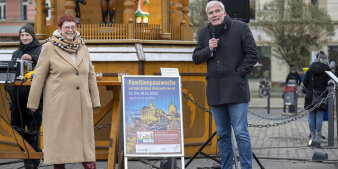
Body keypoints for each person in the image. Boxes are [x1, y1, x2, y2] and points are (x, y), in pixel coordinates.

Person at [27, 15, 100, 169]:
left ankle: (89, 164)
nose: (70, 30)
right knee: (60, 147)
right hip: (59, 105)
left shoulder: (83, 47)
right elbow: (39, 75)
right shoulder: (49, 48)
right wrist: (33, 103)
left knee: (86, 148)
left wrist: (95, 100)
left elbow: (91, 75)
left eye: (73, 27)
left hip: (82, 104)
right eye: (67, 27)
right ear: (59, 29)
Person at [192, 1, 258, 169]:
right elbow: (196, 58)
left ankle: (246, 167)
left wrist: (238, 74)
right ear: (207, 16)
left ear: (224, 12)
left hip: (236, 90)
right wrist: (209, 49)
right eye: (210, 13)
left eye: (217, 11)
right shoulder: (205, 33)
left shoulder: (240, 27)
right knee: (222, 135)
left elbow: (252, 54)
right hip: (215, 91)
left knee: (241, 133)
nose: (214, 15)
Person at [7, 23, 43, 169]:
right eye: (22, 35)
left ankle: (32, 160)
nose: (25, 37)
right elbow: (10, 75)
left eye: (27, 35)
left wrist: (32, 58)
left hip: (34, 99)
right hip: (18, 99)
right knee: (16, 128)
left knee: (33, 128)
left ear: (32, 36)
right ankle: (31, 154)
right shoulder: (16, 53)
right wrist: (11, 92)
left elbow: (45, 65)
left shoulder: (41, 50)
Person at [303, 51, 330, 146]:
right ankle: (318, 137)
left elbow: (305, 81)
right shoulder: (326, 68)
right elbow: (330, 83)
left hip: (310, 94)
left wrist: (310, 89)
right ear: (325, 59)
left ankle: (312, 136)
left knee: (311, 116)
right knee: (319, 116)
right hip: (321, 94)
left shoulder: (311, 67)